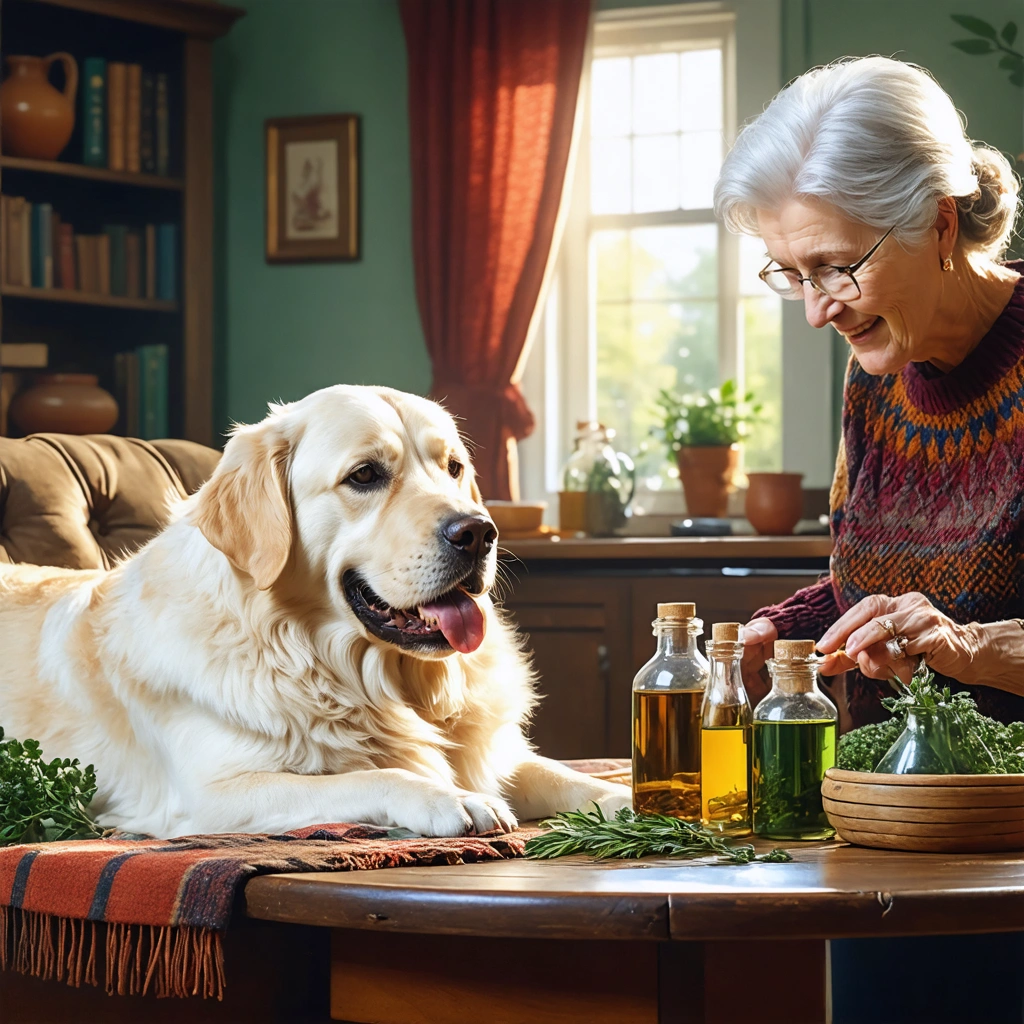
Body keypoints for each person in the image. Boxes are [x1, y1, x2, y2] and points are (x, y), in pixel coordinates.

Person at [713, 55, 1024, 727]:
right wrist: (785, 627)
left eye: (836, 268)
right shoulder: (876, 374)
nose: (816, 311)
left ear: (939, 226)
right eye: (793, 273)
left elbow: (950, 621)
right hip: (884, 804)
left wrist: (969, 649)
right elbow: (881, 587)